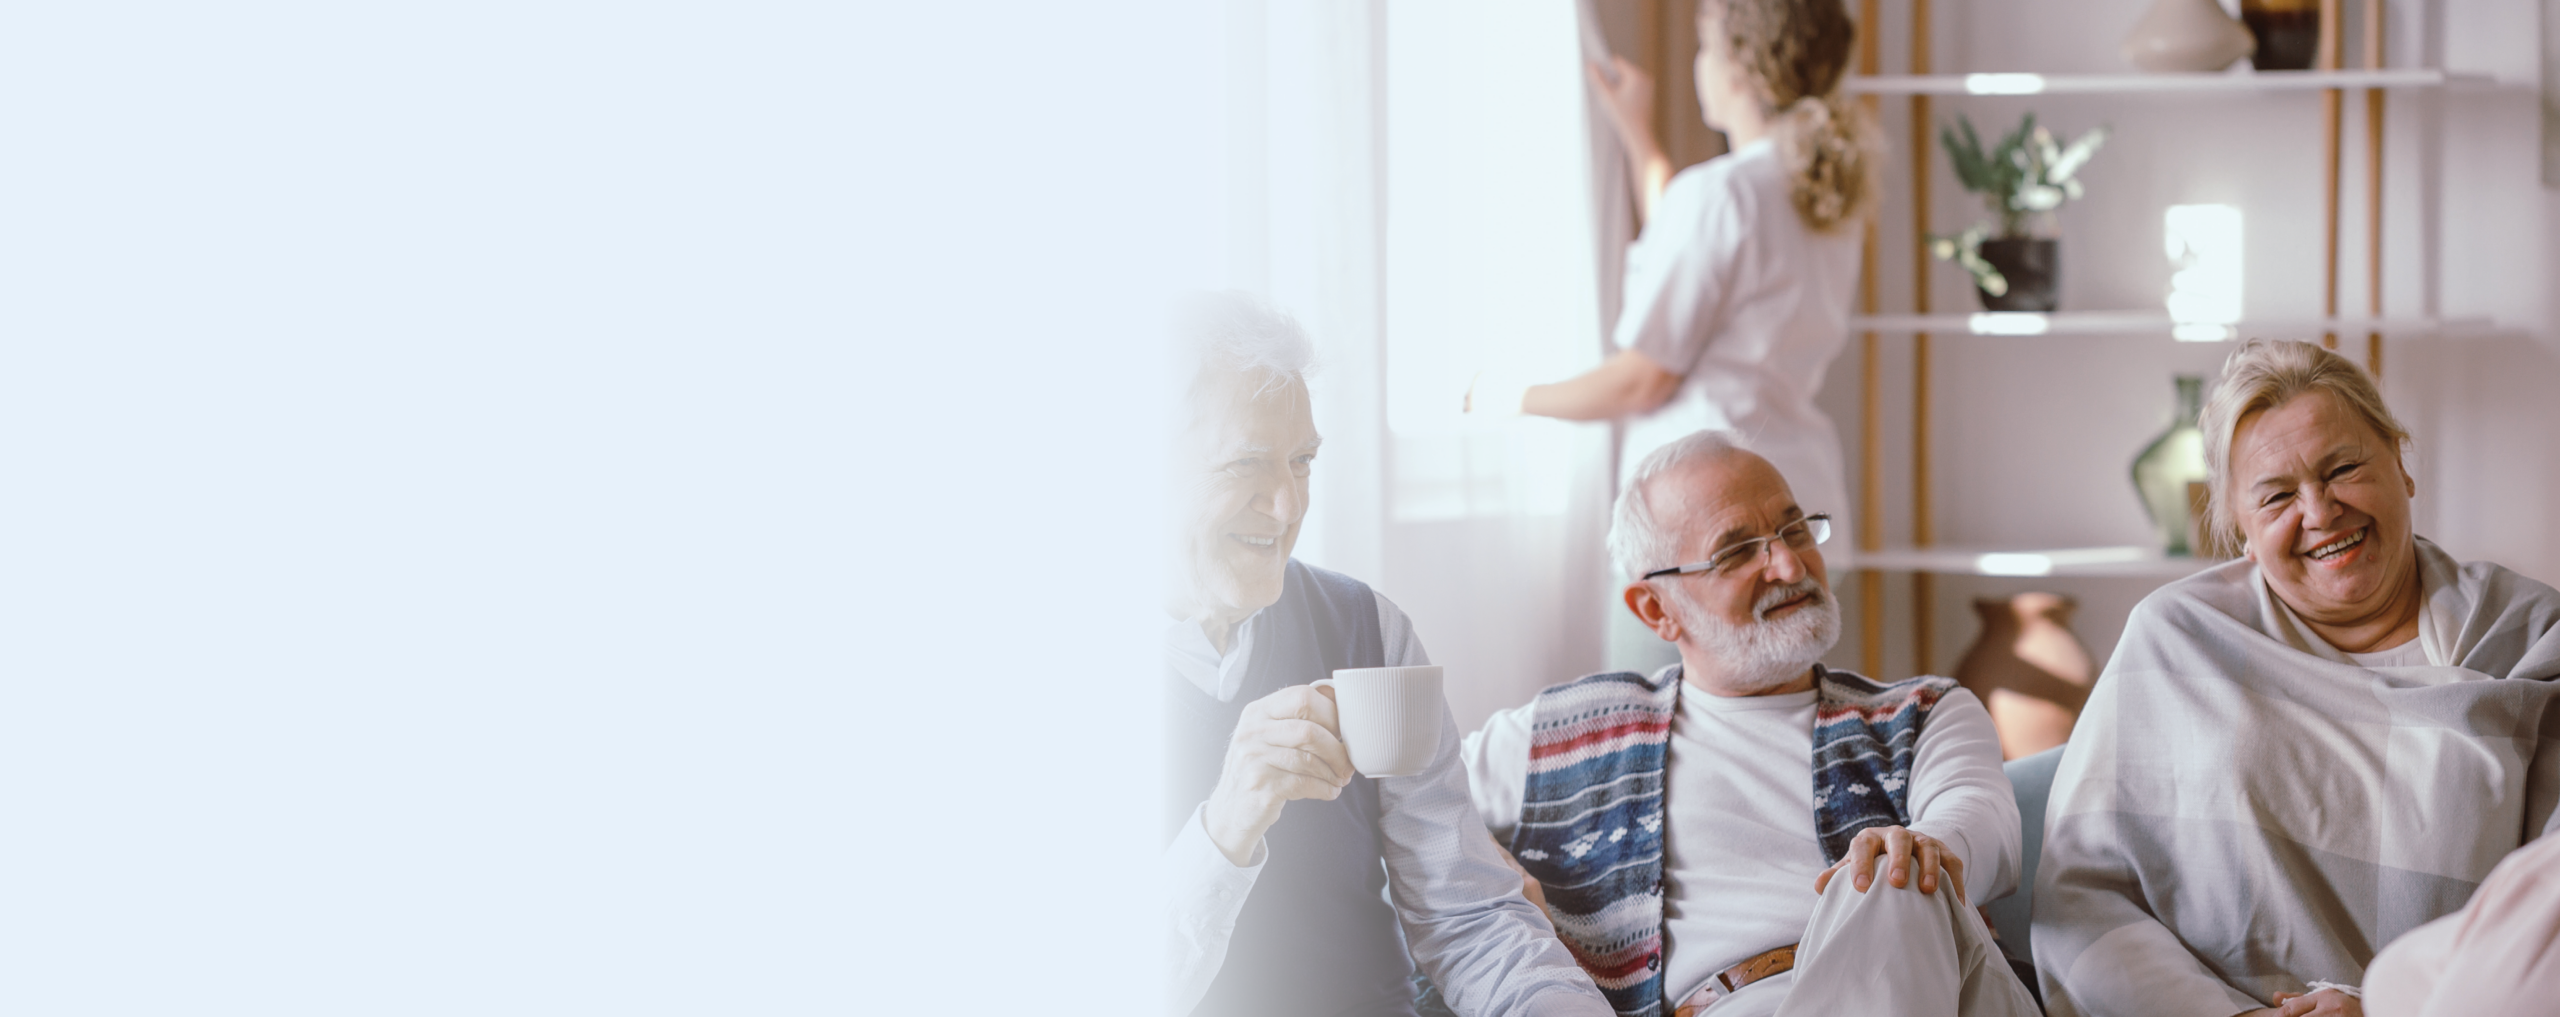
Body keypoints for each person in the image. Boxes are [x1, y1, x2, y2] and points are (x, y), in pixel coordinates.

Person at [2029, 338, 2560, 1017]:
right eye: (2278, 495)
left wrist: (2383, 1006)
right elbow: (2082, 896)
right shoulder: (2176, 640)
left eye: (2343, 469)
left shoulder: (2529, 635)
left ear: (2401, 465)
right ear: (2242, 531)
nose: (2319, 511)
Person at [1462, 430, 2038, 1017]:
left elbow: (1982, 822)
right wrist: (1498, 887)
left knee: (1896, 876)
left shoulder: (1922, 712)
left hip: (1939, 991)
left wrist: (1924, 848)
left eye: (1795, 530)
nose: (1789, 564)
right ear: (1657, 609)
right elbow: (1418, 800)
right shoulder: (1567, 737)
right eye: (1736, 551)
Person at [1163, 294, 1612, 1017]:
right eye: (1247, 463)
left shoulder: (1364, 628)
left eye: (1302, 462)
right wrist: (1226, 825)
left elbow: (1469, 918)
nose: (1287, 507)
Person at [1466, 0, 1878, 672]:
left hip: (1707, 539)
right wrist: (1637, 133)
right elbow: (1686, 255)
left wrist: (1511, 398)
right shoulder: (1821, 196)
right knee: (1793, 726)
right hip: (1803, 522)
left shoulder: (1721, 195)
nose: (1700, 63)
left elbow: (1643, 378)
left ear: (1741, 67)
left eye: (1707, 45)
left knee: (1657, 725)